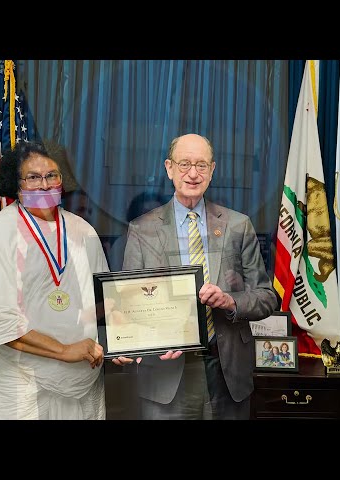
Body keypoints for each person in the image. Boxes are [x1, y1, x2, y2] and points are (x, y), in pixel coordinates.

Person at [113, 133, 278, 420]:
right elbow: (130, 306)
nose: (193, 173)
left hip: (227, 369)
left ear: (212, 170)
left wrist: (229, 300)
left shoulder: (238, 226)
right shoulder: (142, 230)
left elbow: (266, 297)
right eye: (184, 163)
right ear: (169, 168)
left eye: (201, 165)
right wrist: (133, 340)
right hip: (166, 372)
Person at [0, 140, 109, 420]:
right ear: (16, 184)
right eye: (33, 177)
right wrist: (65, 350)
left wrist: (120, 339)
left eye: (52, 175)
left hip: (85, 381)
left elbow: (103, 300)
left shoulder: (84, 230)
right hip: (26, 386)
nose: (44, 185)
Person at [107, 191, 168, 271]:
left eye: (158, 214)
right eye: (148, 213)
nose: (154, 219)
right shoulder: (122, 243)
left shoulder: (168, 240)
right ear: (136, 215)